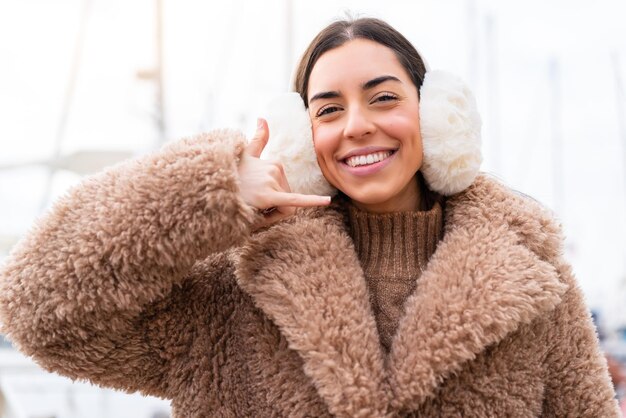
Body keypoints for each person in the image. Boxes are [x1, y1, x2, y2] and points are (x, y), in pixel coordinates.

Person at [0, 16, 620, 418]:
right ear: (303, 138)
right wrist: (204, 191)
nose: (356, 126)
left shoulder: (533, 283)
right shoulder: (232, 290)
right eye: (327, 110)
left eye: (383, 97)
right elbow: (37, 305)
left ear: (437, 117)